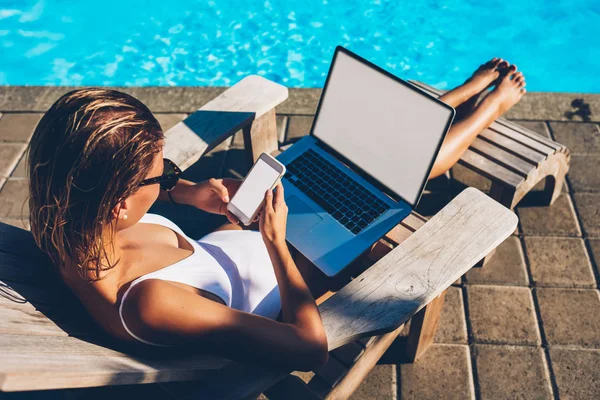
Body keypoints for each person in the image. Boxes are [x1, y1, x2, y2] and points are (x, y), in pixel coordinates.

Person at [27, 58, 524, 371]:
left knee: (347, 159)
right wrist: (275, 242)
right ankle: (484, 109)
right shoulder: (148, 303)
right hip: (303, 266)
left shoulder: (63, 222)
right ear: (119, 202)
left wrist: (189, 193)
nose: (169, 180)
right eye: (162, 175)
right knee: (389, 176)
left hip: (238, 239)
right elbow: (309, 350)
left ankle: (452, 99)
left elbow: (127, 197)